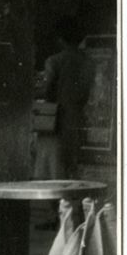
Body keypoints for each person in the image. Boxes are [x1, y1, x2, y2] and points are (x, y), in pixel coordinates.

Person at [34, 16, 95, 180]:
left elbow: (46, 91)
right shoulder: (88, 63)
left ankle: (52, 206)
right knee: (72, 171)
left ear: (60, 38)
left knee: (51, 172)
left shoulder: (54, 61)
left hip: (54, 123)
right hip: (76, 121)